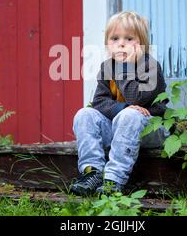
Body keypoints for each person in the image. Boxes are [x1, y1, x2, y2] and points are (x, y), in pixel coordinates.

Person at [70, 11, 169, 196]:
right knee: (84, 114)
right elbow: (99, 101)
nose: (121, 43)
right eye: (115, 38)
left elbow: (136, 98)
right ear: (108, 44)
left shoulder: (150, 67)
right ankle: (92, 172)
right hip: (120, 130)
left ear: (142, 44)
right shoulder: (107, 67)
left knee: (131, 115)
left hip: (152, 130)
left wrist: (126, 67)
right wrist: (122, 108)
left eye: (129, 38)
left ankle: (113, 179)